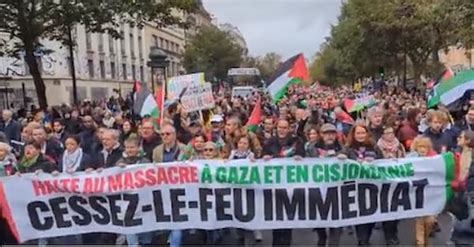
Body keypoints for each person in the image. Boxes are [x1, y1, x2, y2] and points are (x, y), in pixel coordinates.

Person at [262, 119, 305, 247]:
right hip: (274, 185)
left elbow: (303, 155)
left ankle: (286, 242)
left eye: (284, 127)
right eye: (280, 127)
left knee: (288, 216)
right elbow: (262, 156)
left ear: (289, 129)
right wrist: (264, 157)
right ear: (276, 128)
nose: (282, 130)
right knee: (276, 217)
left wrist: (300, 157)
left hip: (290, 185)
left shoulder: (296, 141)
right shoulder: (270, 142)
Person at [340, 123, 383, 246]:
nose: (360, 135)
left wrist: (376, 161)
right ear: (353, 134)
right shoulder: (347, 148)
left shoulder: (374, 147)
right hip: (355, 188)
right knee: (359, 215)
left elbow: (383, 162)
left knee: (371, 216)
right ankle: (362, 241)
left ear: (367, 134)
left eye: (363, 133)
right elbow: (340, 163)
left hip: (372, 187)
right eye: (358, 133)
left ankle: (366, 238)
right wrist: (341, 158)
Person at [306, 123, 343, 247]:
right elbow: (305, 166)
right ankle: (322, 237)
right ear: (321, 135)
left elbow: (353, 163)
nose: (330, 136)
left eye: (332, 133)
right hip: (319, 191)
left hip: (337, 190)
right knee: (320, 220)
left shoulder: (342, 148)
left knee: (336, 222)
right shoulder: (312, 148)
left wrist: (346, 157)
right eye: (327, 133)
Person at [152, 124, 186, 247]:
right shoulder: (156, 151)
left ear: (174, 135)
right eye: (162, 134)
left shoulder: (185, 149)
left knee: (177, 223)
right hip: (164, 192)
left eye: (168, 134)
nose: (165, 136)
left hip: (181, 191)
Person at [116, 136, 154, 247]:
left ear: (138, 148)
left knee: (145, 235)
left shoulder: (145, 162)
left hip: (144, 202)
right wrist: (118, 169)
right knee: (131, 233)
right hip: (128, 204)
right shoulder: (120, 162)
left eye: (132, 147)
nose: (129, 150)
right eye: (127, 147)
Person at [376, 125, 405, 245]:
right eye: (387, 133)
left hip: (397, 181)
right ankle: (388, 235)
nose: (390, 135)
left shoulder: (399, 145)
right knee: (386, 209)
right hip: (384, 182)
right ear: (383, 135)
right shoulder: (378, 147)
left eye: (392, 132)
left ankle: (394, 233)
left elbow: (405, 160)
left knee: (396, 208)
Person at [408, 136, 437, 247]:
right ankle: (420, 243)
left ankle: (425, 240)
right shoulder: (411, 158)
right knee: (420, 220)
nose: (422, 149)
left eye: (425, 146)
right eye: (420, 146)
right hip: (418, 191)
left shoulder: (435, 158)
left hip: (431, 193)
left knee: (430, 220)